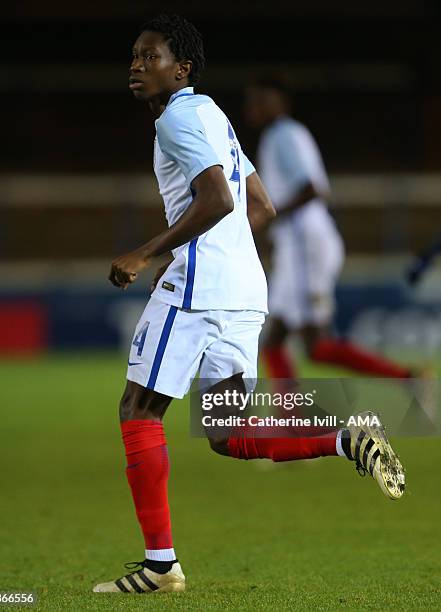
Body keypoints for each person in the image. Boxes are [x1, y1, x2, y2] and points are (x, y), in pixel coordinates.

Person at [93, 16, 405, 597]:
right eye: (133, 56)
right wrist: (220, 253)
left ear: (180, 69)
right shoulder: (212, 113)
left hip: (202, 286)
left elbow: (216, 197)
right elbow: (258, 205)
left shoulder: (177, 121)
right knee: (226, 431)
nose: (136, 66)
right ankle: (344, 437)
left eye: (150, 57)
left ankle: (160, 567)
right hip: (245, 287)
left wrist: (147, 252)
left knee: (138, 409)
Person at [245, 75, 419, 383]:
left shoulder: (282, 135)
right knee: (273, 341)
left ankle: (409, 378)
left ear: (280, 103)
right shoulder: (286, 134)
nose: (254, 107)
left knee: (316, 345)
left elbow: (311, 189)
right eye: (252, 102)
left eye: (262, 100)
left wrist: (266, 216)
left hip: (304, 244)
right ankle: (292, 423)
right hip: (297, 244)